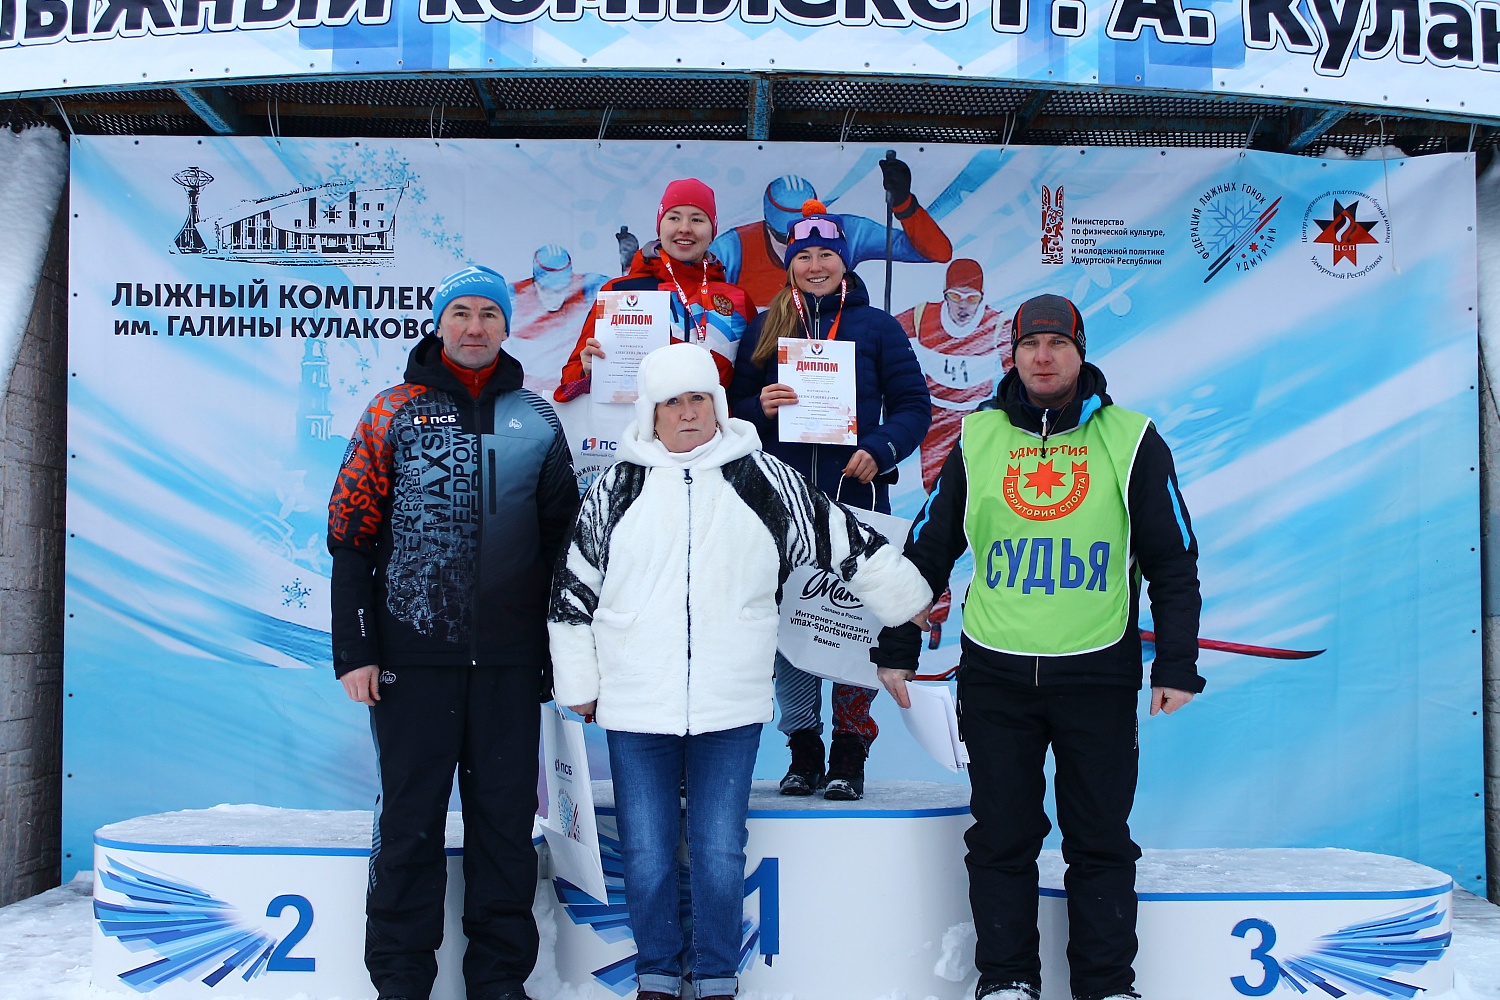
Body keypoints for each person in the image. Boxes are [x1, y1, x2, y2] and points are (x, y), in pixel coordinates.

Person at [550, 342, 929, 1000]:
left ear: (718, 406)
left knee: (721, 850)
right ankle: (659, 975)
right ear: (652, 413)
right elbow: (571, 591)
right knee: (646, 850)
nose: (688, 412)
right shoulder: (618, 486)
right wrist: (578, 685)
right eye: (673, 402)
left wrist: (908, 601)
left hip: (731, 704)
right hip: (636, 704)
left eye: (699, 398)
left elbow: (845, 542)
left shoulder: (762, 477)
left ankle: (719, 975)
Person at [873, 293, 1203, 1000]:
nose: (1043, 357)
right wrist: (897, 642)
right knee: (1002, 838)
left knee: (1100, 841)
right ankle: (1008, 981)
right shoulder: (977, 437)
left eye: (1057, 344)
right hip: (996, 675)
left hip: (1098, 672)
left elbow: (1172, 560)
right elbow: (928, 552)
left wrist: (1176, 662)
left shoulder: (1132, 437)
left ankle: (1107, 985)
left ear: (1081, 353)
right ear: (1012, 354)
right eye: (1030, 345)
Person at [328, 265, 580, 1000]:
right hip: (411, 662)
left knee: (505, 828)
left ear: (508, 327)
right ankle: (402, 979)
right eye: (461, 314)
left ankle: (499, 980)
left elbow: (568, 544)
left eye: (489, 316)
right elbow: (351, 537)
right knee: (410, 825)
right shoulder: (392, 413)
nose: (475, 328)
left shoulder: (537, 418)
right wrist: (356, 649)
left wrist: (562, 654)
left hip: (509, 663)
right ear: (440, 323)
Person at [727, 201, 931, 800]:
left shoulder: (878, 328)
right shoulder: (766, 325)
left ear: (844, 262)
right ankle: (803, 748)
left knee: (853, 623)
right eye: (804, 257)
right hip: (782, 503)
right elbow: (731, 417)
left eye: (826, 255)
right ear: (790, 266)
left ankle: (850, 751)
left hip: (855, 497)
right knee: (789, 623)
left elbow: (915, 407)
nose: (816, 266)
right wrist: (756, 412)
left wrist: (881, 448)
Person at [894, 258, 1013, 649]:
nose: (963, 305)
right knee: (937, 512)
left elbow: (1024, 372)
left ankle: (996, 603)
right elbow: (879, 334)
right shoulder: (922, 317)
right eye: (955, 296)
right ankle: (934, 605)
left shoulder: (998, 327)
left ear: (983, 296)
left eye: (971, 297)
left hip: (979, 421)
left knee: (989, 508)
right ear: (944, 294)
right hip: (937, 419)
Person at [555, 178, 756, 401]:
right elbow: (568, 383)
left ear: (712, 232)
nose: (685, 228)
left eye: (697, 219)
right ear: (660, 227)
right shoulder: (620, 293)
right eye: (674, 218)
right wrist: (587, 369)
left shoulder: (737, 301)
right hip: (635, 432)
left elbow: (750, 388)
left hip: (712, 433)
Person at [709, 163, 954, 309]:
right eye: (788, 239)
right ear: (767, 227)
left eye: (812, 237)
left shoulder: (846, 232)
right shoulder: (734, 248)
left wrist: (905, 206)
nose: (801, 253)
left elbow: (938, 253)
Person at [505, 244, 608, 396]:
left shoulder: (589, 287)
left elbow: (627, 294)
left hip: (571, 393)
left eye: (562, 289)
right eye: (547, 290)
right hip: (527, 395)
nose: (554, 297)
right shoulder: (513, 295)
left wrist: (627, 263)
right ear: (536, 282)